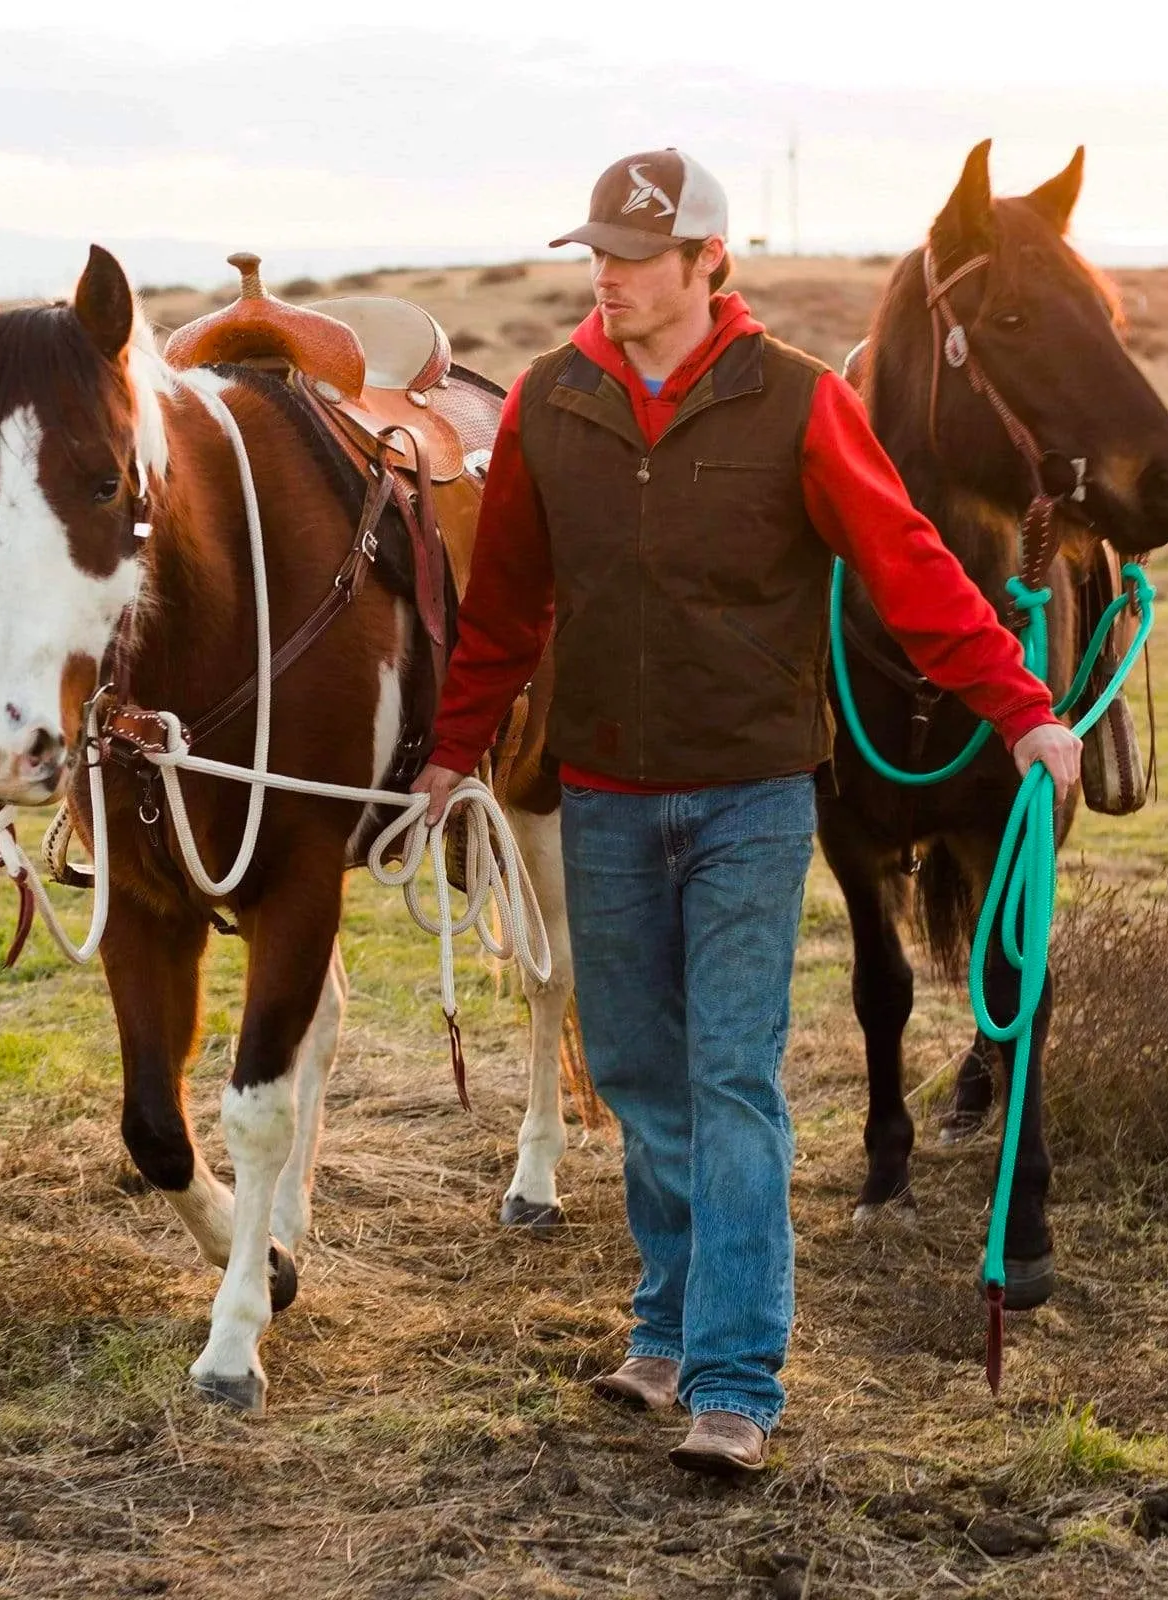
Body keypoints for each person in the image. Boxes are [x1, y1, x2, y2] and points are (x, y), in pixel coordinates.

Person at [412, 148, 1081, 1478]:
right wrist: (449, 758)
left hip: (751, 799)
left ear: (709, 262)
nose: (607, 272)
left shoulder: (794, 402)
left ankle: (732, 1374)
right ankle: (661, 1324)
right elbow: (502, 614)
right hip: (602, 794)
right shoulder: (549, 402)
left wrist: (1023, 708)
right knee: (646, 1078)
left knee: (730, 1075)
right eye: (594, 250)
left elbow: (909, 564)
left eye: (634, 254)